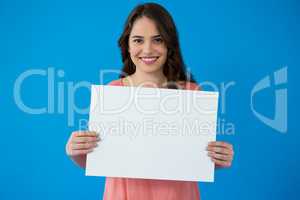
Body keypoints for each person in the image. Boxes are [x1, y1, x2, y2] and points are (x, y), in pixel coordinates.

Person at [66, 2, 234, 200]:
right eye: (138, 40)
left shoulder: (191, 92)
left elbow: (195, 159)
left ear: (169, 44)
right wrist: (75, 150)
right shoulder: (113, 92)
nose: (147, 49)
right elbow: (103, 159)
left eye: (157, 40)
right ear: (127, 45)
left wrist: (218, 158)